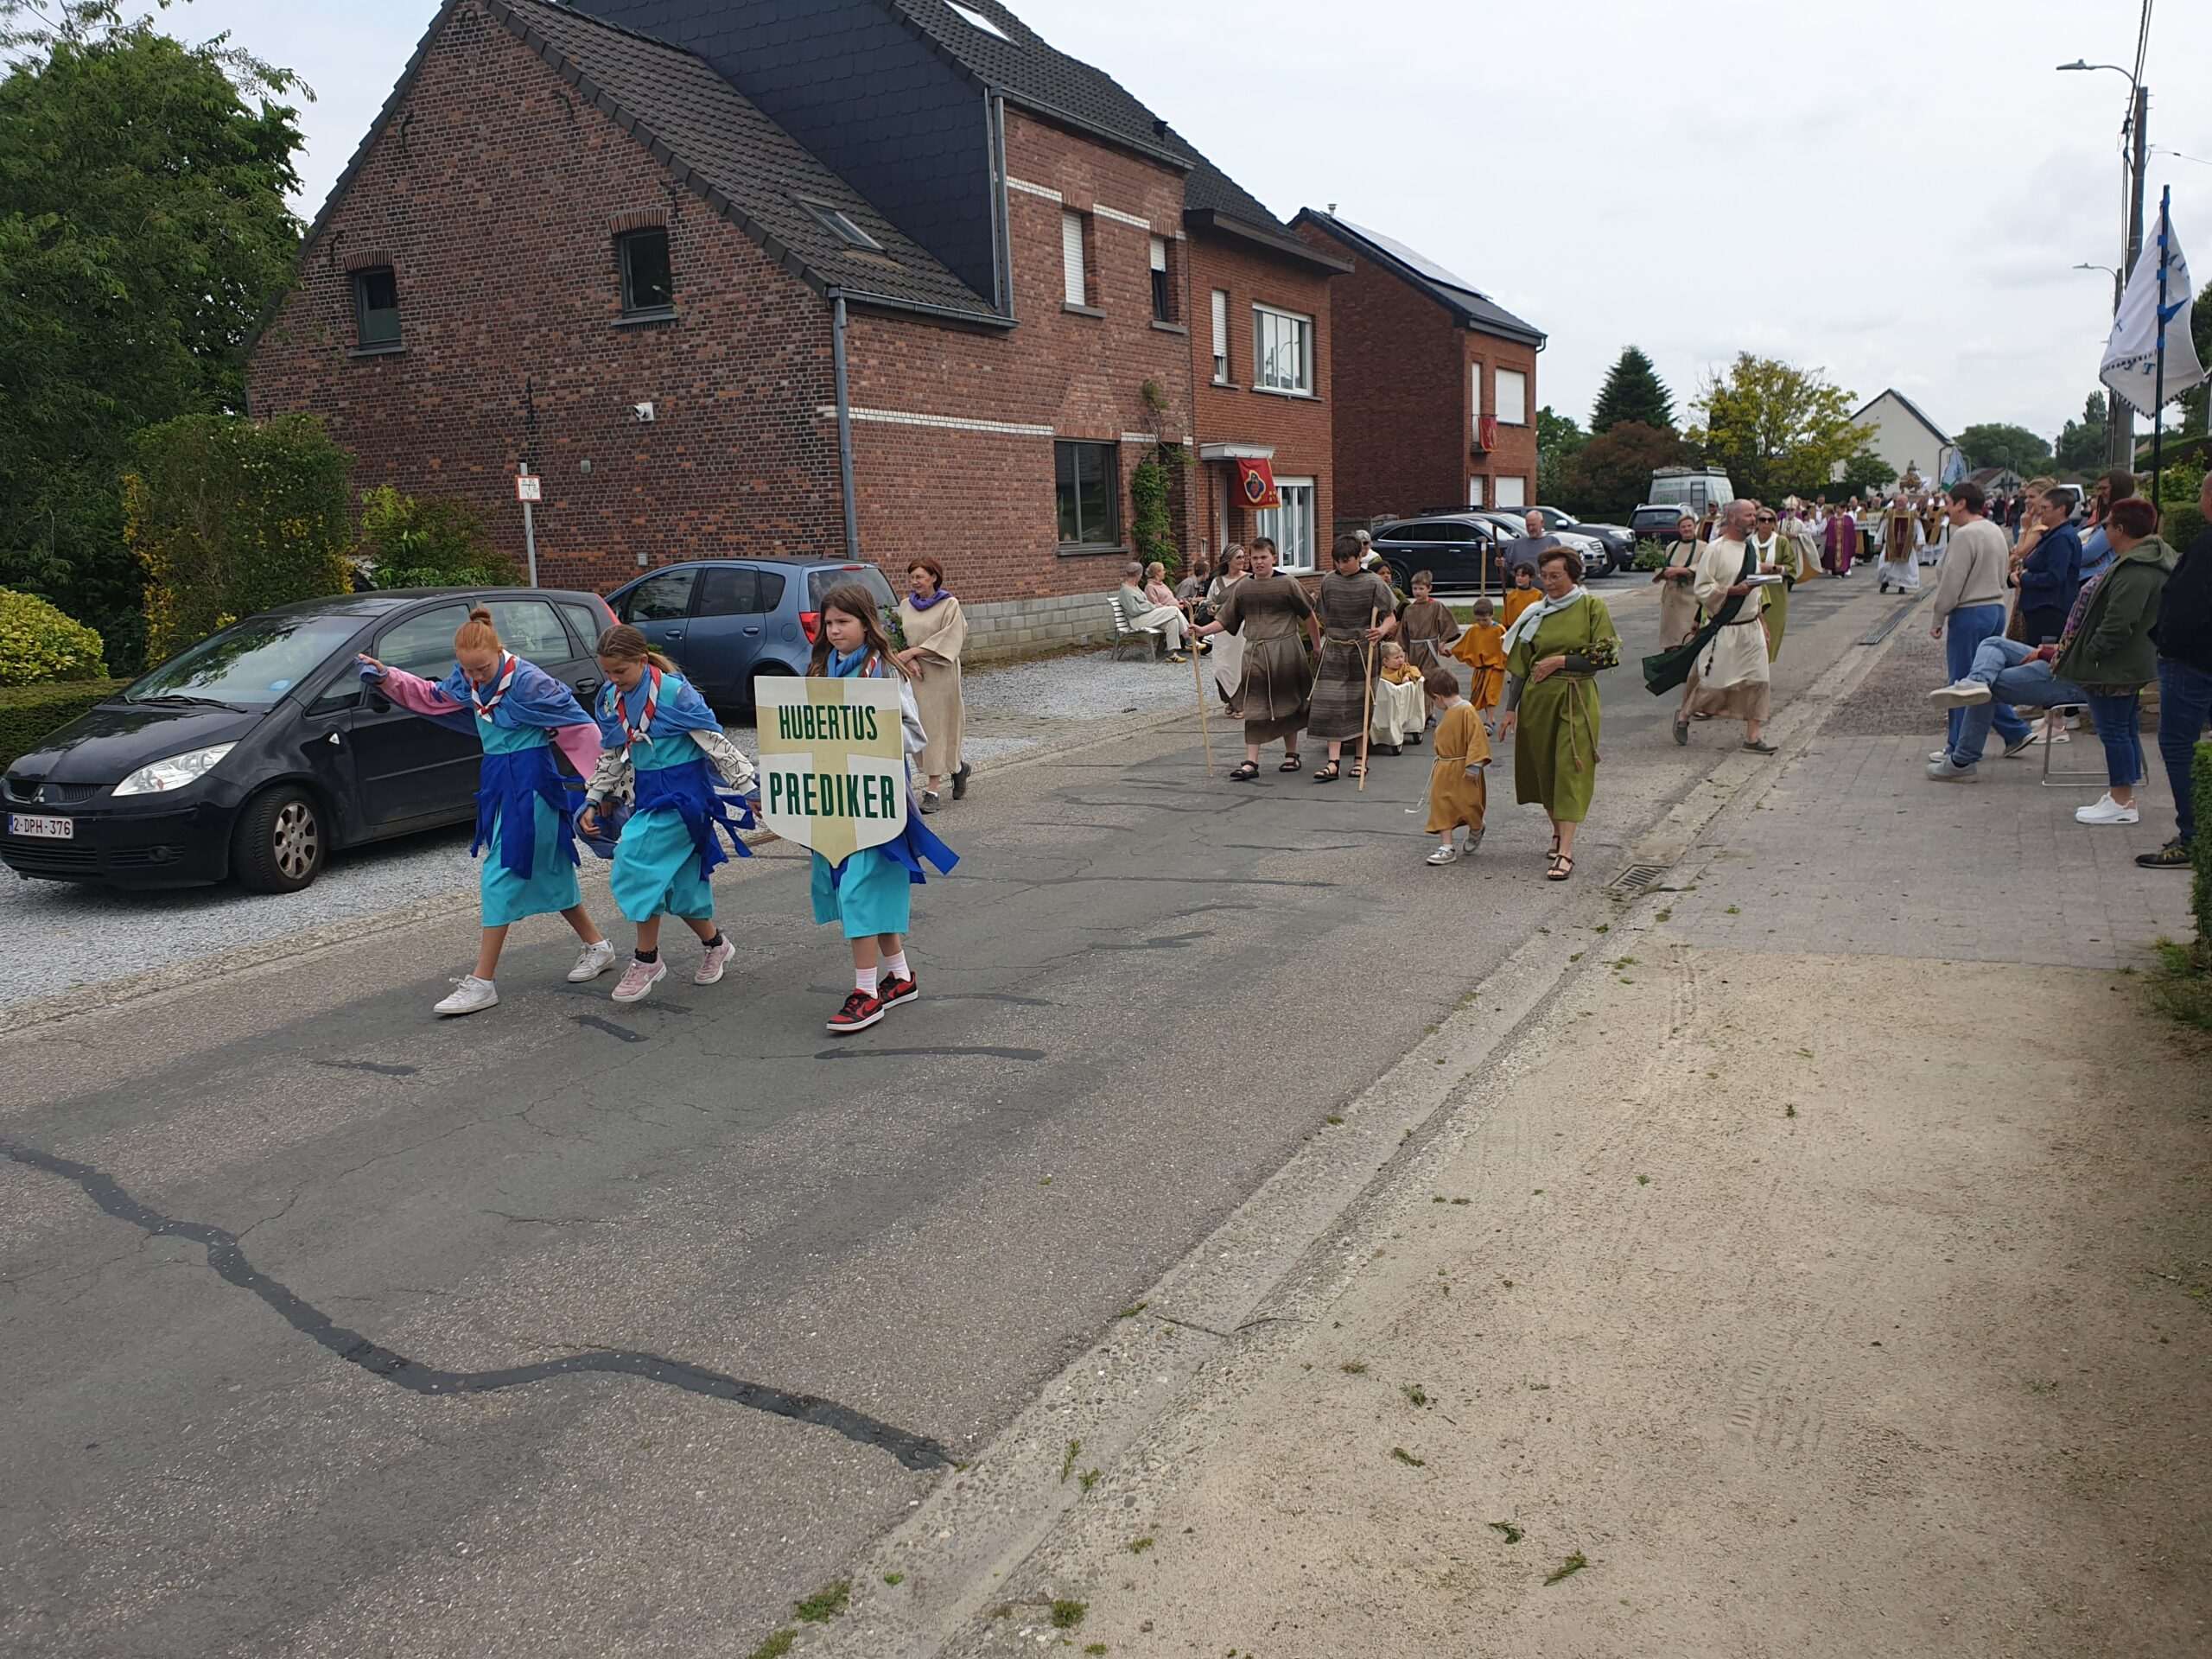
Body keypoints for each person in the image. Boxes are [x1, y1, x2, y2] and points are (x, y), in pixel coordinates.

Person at [356, 607, 614, 1016]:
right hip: (498, 781)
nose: (474, 678)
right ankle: (597, 945)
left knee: (501, 873)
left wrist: (602, 790)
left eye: (482, 669)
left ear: (499, 652)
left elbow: (580, 726)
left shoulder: (530, 682)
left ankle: (482, 981)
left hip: (532, 783)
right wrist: (389, 676)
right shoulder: (468, 679)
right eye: (467, 670)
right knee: (549, 869)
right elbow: (433, 696)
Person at [1928, 499, 2174, 819]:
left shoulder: (2135, 571)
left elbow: (2117, 626)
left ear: (2121, 529)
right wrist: (2060, 650)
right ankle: (1978, 685)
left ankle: (2121, 800)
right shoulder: (2137, 564)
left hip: (2091, 669)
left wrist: (2081, 655)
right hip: (2077, 657)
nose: (2103, 531)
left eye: (2107, 525)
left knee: (2111, 728)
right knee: (1993, 646)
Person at [805, 585, 958, 1033]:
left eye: (843, 622)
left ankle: (866, 993)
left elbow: (915, 735)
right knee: (866, 888)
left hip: (877, 798)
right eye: (828, 623)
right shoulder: (819, 670)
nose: (834, 631)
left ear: (865, 622)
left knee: (859, 888)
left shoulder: (886, 671)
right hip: (836, 797)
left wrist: (871, 732)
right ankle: (900, 976)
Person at [580, 626, 756, 1005]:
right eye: (607, 672)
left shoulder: (675, 693)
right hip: (648, 796)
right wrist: (594, 797)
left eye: (620, 671)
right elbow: (613, 754)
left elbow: (716, 743)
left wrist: (748, 787)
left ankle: (647, 959)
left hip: (685, 799)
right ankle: (716, 944)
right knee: (679, 884)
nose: (613, 679)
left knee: (635, 859)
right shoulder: (612, 698)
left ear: (642, 661)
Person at [1497, 547, 1620, 881]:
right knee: (1544, 769)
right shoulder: (1535, 613)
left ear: (1573, 576)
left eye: (1556, 576)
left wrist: (1560, 661)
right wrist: (1510, 709)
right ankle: (1556, 830)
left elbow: (1607, 655)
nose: (1548, 583)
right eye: (1545, 576)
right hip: (1537, 701)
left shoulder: (1591, 607)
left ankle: (1566, 850)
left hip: (1576, 697)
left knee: (1570, 767)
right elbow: (1521, 667)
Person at [1193, 537, 1319, 780]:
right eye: (1254, 558)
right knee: (1254, 705)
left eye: (1263, 557)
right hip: (1256, 653)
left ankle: (1291, 754)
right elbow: (1226, 618)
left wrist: (1316, 646)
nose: (1259, 562)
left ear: (1274, 558)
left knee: (1288, 702)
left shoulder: (1288, 583)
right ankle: (1251, 761)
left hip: (1285, 650)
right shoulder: (1244, 587)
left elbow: (1309, 616)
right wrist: (1202, 630)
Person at [1924, 480, 2034, 760]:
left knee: (1962, 684)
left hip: (1970, 611)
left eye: (1949, 503)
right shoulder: (1994, 530)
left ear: (1962, 503)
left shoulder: (1965, 535)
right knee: (1983, 679)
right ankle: (2015, 732)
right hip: (1994, 608)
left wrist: (1938, 616)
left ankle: (1957, 748)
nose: (1946, 509)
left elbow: (1952, 581)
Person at [2139, 470, 2212, 868]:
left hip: (2192, 661)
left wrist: (2167, 645)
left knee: (2179, 745)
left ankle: (2194, 836)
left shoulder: (2206, 547)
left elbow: (2188, 607)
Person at [1679, 499, 1776, 753]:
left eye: (1755, 515)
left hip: (1751, 627)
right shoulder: (1715, 550)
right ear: (1732, 518)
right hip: (1725, 627)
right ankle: (1685, 714)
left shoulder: (1751, 548)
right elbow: (1702, 589)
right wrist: (1733, 590)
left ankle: (1752, 737)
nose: (1754, 520)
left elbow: (1754, 589)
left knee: (1759, 681)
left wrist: (1762, 621)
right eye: (1749, 515)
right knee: (1713, 683)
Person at [1307, 533, 1399, 781]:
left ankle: (1360, 760)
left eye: (1346, 560)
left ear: (1359, 557)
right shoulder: (1329, 581)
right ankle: (1333, 762)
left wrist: (1380, 631)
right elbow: (1321, 614)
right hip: (1335, 649)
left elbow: (1391, 616)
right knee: (1332, 704)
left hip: (1363, 650)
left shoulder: (1374, 582)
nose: (1341, 565)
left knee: (1361, 705)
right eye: (1337, 561)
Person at [895, 556, 970, 815]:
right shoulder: (905, 606)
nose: (915, 582)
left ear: (934, 577)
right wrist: (909, 658)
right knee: (920, 725)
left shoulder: (949, 605)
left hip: (940, 674)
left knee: (937, 727)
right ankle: (958, 768)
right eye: (912, 577)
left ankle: (933, 790)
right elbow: (897, 638)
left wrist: (915, 651)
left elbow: (951, 638)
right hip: (913, 674)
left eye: (920, 577)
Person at [1421, 666, 1491, 866]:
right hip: (1445, 768)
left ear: (1438, 697)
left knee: (1469, 805)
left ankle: (1476, 827)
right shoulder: (1453, 711)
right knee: (1442, 805)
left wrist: (1475, 764)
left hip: (1463, 767)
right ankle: (1447, 846)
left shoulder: (1466, 710)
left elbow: (1477, 738)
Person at [2018, 491, 2083, 645]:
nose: (2040, 512)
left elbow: (2055, 577)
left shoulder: (2061, 538)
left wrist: (2024, 578)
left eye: (2045, 508)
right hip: (2040, 609)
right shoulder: (2053, 535)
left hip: (2049, 611)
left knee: (2041, 655)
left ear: (2061, 509)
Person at [1751, 505, 1811, 662]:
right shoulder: (1749, 543)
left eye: (1770, 520)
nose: (1766, 523)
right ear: (1756, 523)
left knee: (1772, 631)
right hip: (1752, 592)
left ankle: (1766, 664)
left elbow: (1792, 567)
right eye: (1762, 520)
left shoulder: (1781, 542)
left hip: (1775, 594)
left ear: (1774, 523)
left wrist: (1775, 568)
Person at [1450, 596, 1507, 730]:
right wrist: (1450, 652)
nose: (1482, 623)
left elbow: (1508, 647)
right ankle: (1488, 718)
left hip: (1496, 667)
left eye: (1485, 620)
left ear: (1492, 615)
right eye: (1478, 620)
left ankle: (1490, 720)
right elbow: (1463, 646)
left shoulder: (1499, 630)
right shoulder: (1474, 630)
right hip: (1480, 669)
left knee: (1491, 693)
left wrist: (1508, 663)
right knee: (1481, 694)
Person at [1118, 562, 1190, 662]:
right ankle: (1189, 638)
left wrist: (1151, 606)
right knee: (1174, 609)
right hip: (1136, 621)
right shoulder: (1125, 590)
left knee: (1172, 622)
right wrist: (1153, 606)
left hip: (1145, 617)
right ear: (1138, 575)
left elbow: (1144, 604)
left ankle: (1172, 654)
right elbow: (1134, 610)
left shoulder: (1135, 587)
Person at [2075, 467, 2135, 586]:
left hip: (2093, 579)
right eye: (2099, 488)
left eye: (2104, 488)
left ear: (2119, 488)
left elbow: (2089, 554)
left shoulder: (2120, 517)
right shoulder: (2120, 513)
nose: (2099, 493)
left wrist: (2063, 555)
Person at [1397, 569, 1461, 676]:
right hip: (1414, 650)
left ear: (1429, 588)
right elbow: (1403, 634)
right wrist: (1402, 652)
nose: (1417, 592)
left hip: (1429, 650)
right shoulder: (1409, 610)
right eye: (1415, 588)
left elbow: (1448, 626)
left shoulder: (1436, 606)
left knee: (1430, 675)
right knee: (1415, 675)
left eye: (1421, 589)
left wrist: (1442, 643)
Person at [1370, 640, 1427, 754]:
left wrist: (1407, 676)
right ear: (1385, 661)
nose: (1400, 660)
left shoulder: (1404, 668)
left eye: (1402, 657)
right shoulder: (1380, 671)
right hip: (1382, 700)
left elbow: (1416, 671)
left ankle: (1399, 731)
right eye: (1396, 658)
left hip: (1399, 701)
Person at [1877, 495, 1922, 593]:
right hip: (1890, 546)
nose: (1900, 503)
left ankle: (1902, 586)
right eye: (1899, 501)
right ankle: (1885, 583)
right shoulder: (1889, 514)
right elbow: (1882, 528)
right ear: (1895, 503)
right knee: (1885, 566)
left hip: (1906, 547)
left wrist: (1920, 542)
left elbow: (1919, 528)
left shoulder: (1912, 515)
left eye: (1903, 501)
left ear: (1907, 503)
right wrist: (1878, 541)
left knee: (1904, 568)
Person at [1497, 510, 1559, 581]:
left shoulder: (1552, 542)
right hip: (1523, 587)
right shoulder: (1516, 545)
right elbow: (1508, 568)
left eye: (1533, 525)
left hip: (1545, 586)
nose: (1530, 528)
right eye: (1528, 525)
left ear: (1542, 523)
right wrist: (1501, 564)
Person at [1499, 562, 1541, 631]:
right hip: (1513, 628)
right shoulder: (1511, 595)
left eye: (1523, 576)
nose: (1519, 578)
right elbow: (1506, 616)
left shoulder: (1537, 594)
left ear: (1531, 578)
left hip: (1530, 628)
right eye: (1517, 575)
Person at [1822, 500, 1858, 577]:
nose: (1838, 510)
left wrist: (1851, 542)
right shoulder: (1832, 519)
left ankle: (1842, 571)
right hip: (1834, 542)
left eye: (1839, 508)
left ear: (1844, 509)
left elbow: (1851, 532)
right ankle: (1835, 571)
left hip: (1845, 543)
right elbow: (1828, 530)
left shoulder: (1848, 519)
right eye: (1837, 508)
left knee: (1844, 557)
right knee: (1833, 555)